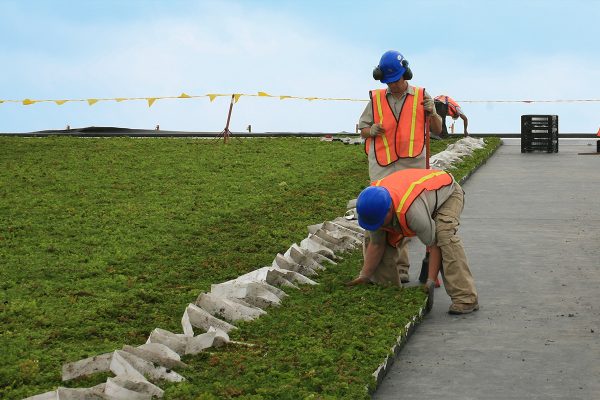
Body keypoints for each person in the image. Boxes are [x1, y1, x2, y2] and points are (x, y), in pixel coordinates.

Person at [357, 50, 442, 284]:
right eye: (389, 81)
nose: (393, 85)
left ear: (406, 73)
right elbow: (362, 128)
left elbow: (437, 129)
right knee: (378, 214)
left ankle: (401, 268)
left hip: (411, 165)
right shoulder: (375, 99)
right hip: (383, 165)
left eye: (397, 79)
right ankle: (376, 271)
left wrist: (432, 111)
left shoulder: (422, 96)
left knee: (403, 214)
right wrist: (370, 130)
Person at [346, 168, 479, 315]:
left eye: (380, 221)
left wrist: (430, 281)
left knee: (444, 236)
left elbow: (433, 246)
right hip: (419, 195)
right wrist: (364, 276)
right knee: (374, 236)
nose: (379, 225)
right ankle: (389, 291)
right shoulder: (372, 204)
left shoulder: (412, 212)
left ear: (389, 210)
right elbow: (376, 245)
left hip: (447, 194)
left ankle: (466, 298)